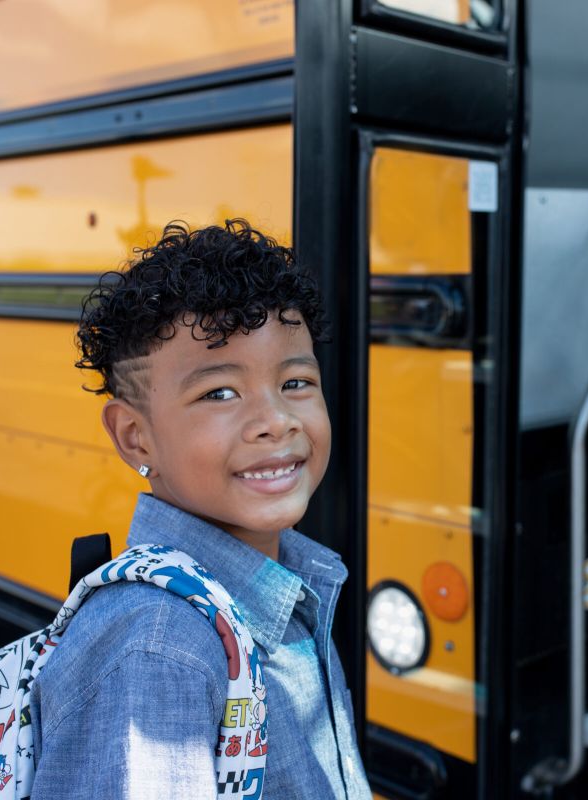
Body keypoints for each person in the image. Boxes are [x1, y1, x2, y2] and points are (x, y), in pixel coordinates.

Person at [29, 219, 371, 798]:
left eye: (296, 383)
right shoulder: (160, 651)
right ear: (136, 438)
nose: (277, 421)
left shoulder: (289, 586)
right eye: (219, 393)